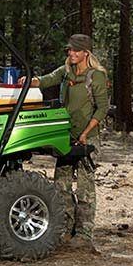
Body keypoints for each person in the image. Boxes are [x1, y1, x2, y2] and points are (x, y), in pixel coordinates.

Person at [18, 34, 109, 253]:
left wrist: (87, 133)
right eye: (69, 50)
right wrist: (30, 81)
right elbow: (47, 79)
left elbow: (102, 109)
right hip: (66, 136)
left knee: (85, 188)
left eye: (75, 51)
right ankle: (67, 229)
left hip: (88, 138)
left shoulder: (95, 76)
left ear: (86, 52)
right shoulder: (67, 70)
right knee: (61, 184)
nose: (71, 54)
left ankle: (85, 235)